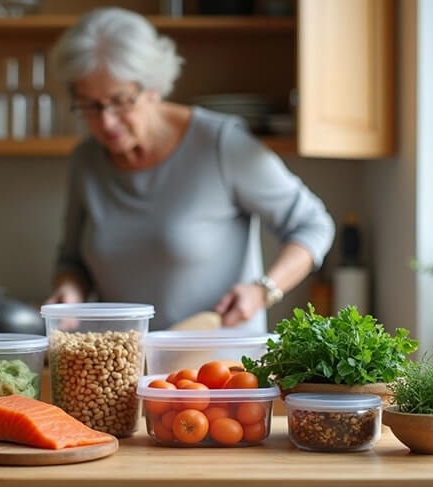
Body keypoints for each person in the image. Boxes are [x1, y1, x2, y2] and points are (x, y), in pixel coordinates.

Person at [44, 7, 335, 331]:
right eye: (90, 105)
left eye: (120, 100)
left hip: (219, 371)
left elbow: (313, 224)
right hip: (125, 366)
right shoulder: (86, 160)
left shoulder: (221, 144)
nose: (106, 121)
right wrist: (71, 292)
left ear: (152, 87)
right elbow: (72, 261)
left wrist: (263, 289)